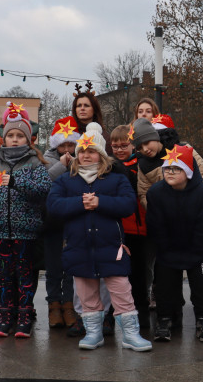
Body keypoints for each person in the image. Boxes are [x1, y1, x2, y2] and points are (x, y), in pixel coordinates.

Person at [45, 123, 152, 351]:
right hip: (79, 248)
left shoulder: (116, 179)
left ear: (101, 154)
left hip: (111, 248)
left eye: (91, 151)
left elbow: (128, 204)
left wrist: (101, 202)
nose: (86, 155)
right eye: (82, 151)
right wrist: (80, 203)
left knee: (122, 291)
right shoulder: (66, 179)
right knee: (87, 295)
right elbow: (53, 205)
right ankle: (93, 332)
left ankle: (131, 334)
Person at [0, 103, 52, 338]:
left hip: (26, 230)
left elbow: (43, 189)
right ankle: (6, 317)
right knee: (5, 276)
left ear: (28, 139)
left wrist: (15, 181)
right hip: (0, 230)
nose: (15, 139)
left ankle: (25, 316)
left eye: (19, 136)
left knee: (25, 275)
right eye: (11, 135)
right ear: (4, 139)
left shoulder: (34, 163)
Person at [146, 144, 203, 342]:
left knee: (201, 286)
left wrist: (195, 247)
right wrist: (166, 247)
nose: (170, 172)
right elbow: (155, 224)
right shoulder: (156, 193)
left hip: (198, 249)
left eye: (176, 169)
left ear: (188, 171)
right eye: (167, 168)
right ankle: (165, 319)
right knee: (165, 286)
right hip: (167, 248)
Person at [109, 124, 151, 332]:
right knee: (114, 276)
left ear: (133, 145)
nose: (119, 150)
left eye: (123, 145)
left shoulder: (141, 164)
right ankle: (109, 317)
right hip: (116, 229)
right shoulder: (108, 166)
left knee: (138, 276)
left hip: (138, 229)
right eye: (115, 146)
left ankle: (142, 317)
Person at [42, 117, 81, 334]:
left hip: (73, 221)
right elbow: (43, 182)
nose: (67, 149)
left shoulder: (81, 158)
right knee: (53, 267)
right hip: (52, 221)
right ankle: (54, 305)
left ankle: (68, 305)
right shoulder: (46, 160)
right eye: (62, 145)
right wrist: (62, 166)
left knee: (71, 267)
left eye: (70, 145)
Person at [133, 115, 203, 209]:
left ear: (155, 137)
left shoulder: (183, 149)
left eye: (146, 143)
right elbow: (144, 195)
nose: (145, 149)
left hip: (194, 207)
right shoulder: (143, 164)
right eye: (140, 148)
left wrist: (196, 202)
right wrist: (160, 210)